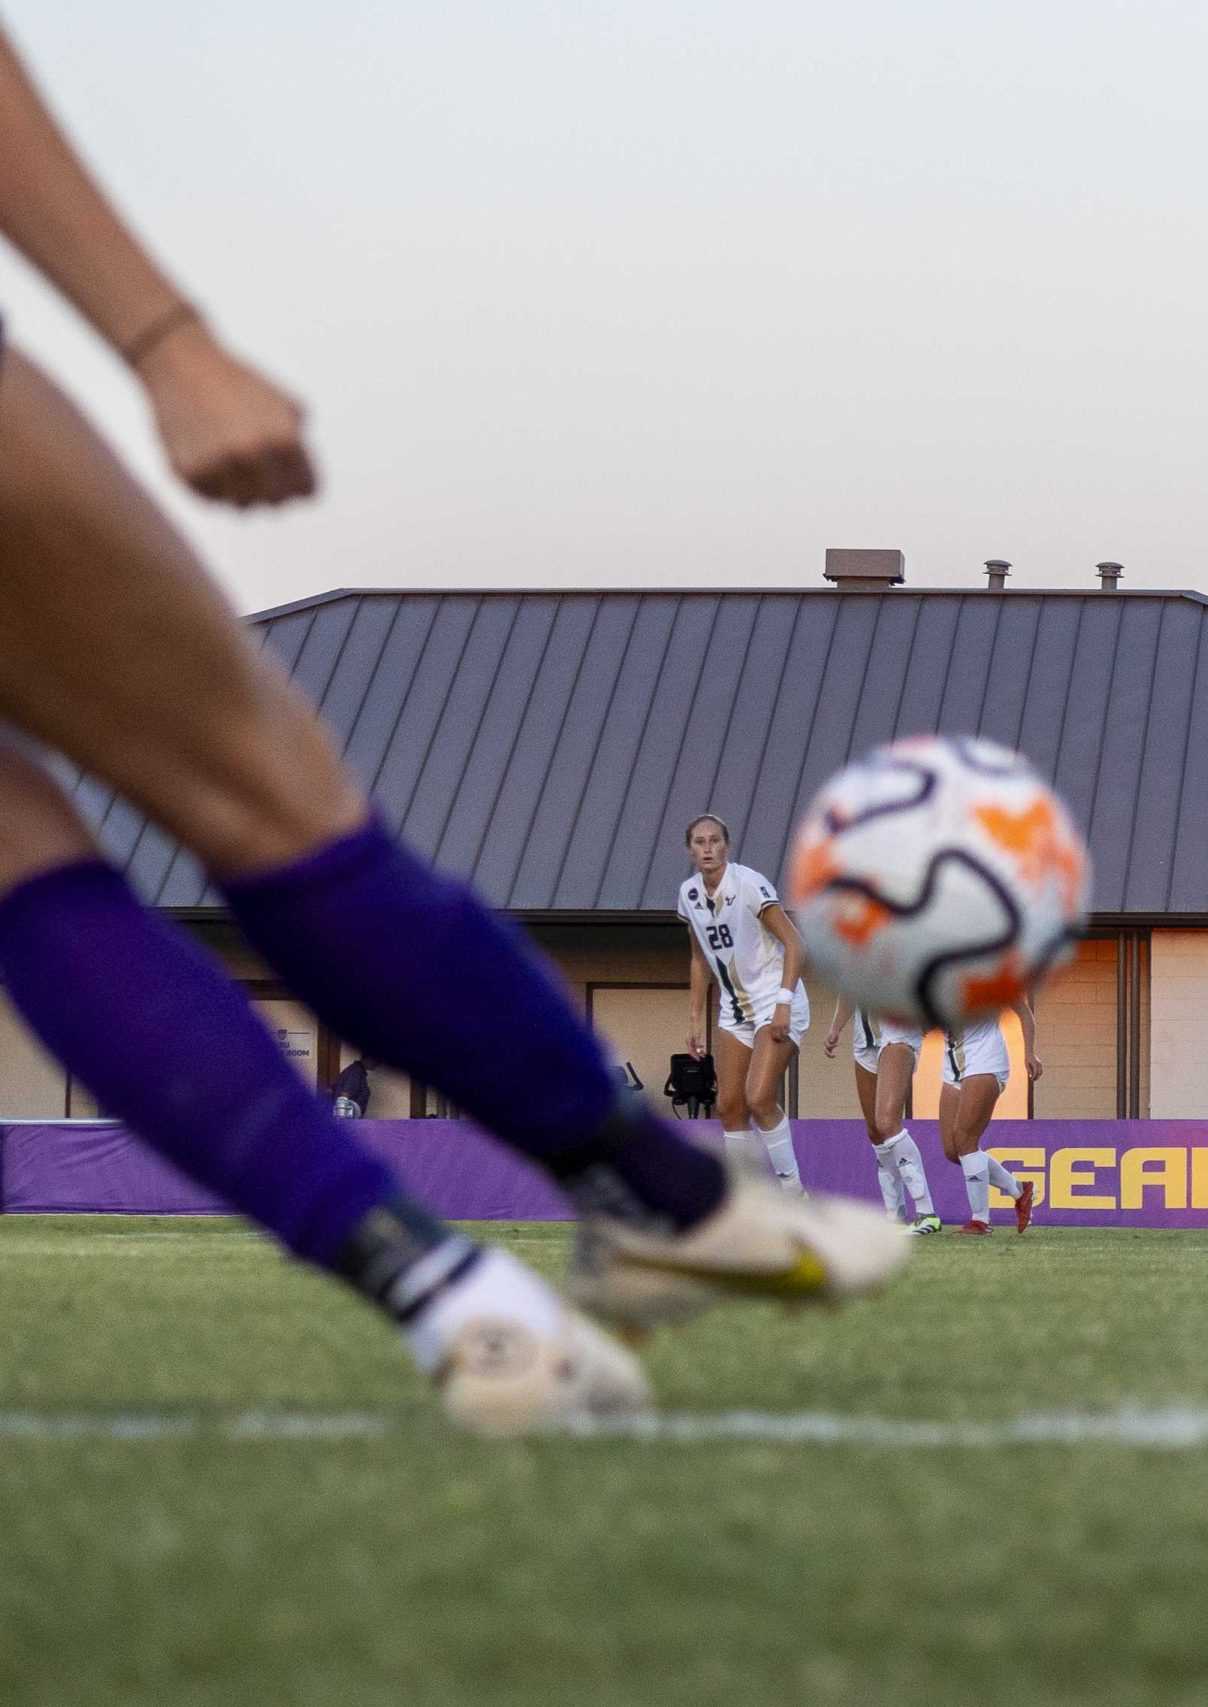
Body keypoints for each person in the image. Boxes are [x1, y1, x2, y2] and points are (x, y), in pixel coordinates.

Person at [0, 25, 904, 1433]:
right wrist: (163, 338)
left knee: (20, 860)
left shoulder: (736, 888)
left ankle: (451, 1299)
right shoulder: (699, 887)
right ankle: (649, 1192)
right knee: (259, 792)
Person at [679, 813, 811, 1192]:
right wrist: (694, 1019)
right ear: (690, 849)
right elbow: (699, 958)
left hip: (774, 999)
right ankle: (742, 1200)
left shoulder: (749, 884)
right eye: (700, 842)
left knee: (759, 1097)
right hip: (735, 1010)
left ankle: (793, 1194)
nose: (708, 848)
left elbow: (796, 944)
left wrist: (785, 1001)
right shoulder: (688, 895)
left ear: (727, 845)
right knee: (729, 1105)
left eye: (715, 840)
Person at [823, 996, 942, 1233]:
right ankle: (893, 1216)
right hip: (864, 1038)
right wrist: (836, 1027)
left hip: (898, 1030)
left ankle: (927, 1213)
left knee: (887, 1123)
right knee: (876, 1131)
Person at [936, 1003, 1042, 1235]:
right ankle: (1019, 1190)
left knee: (965, 1140)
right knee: (952, 1150)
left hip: (986, 1059)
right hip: (953, 1063)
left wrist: (1029, 1052)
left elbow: (1023, 1011)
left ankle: (980, 1220)